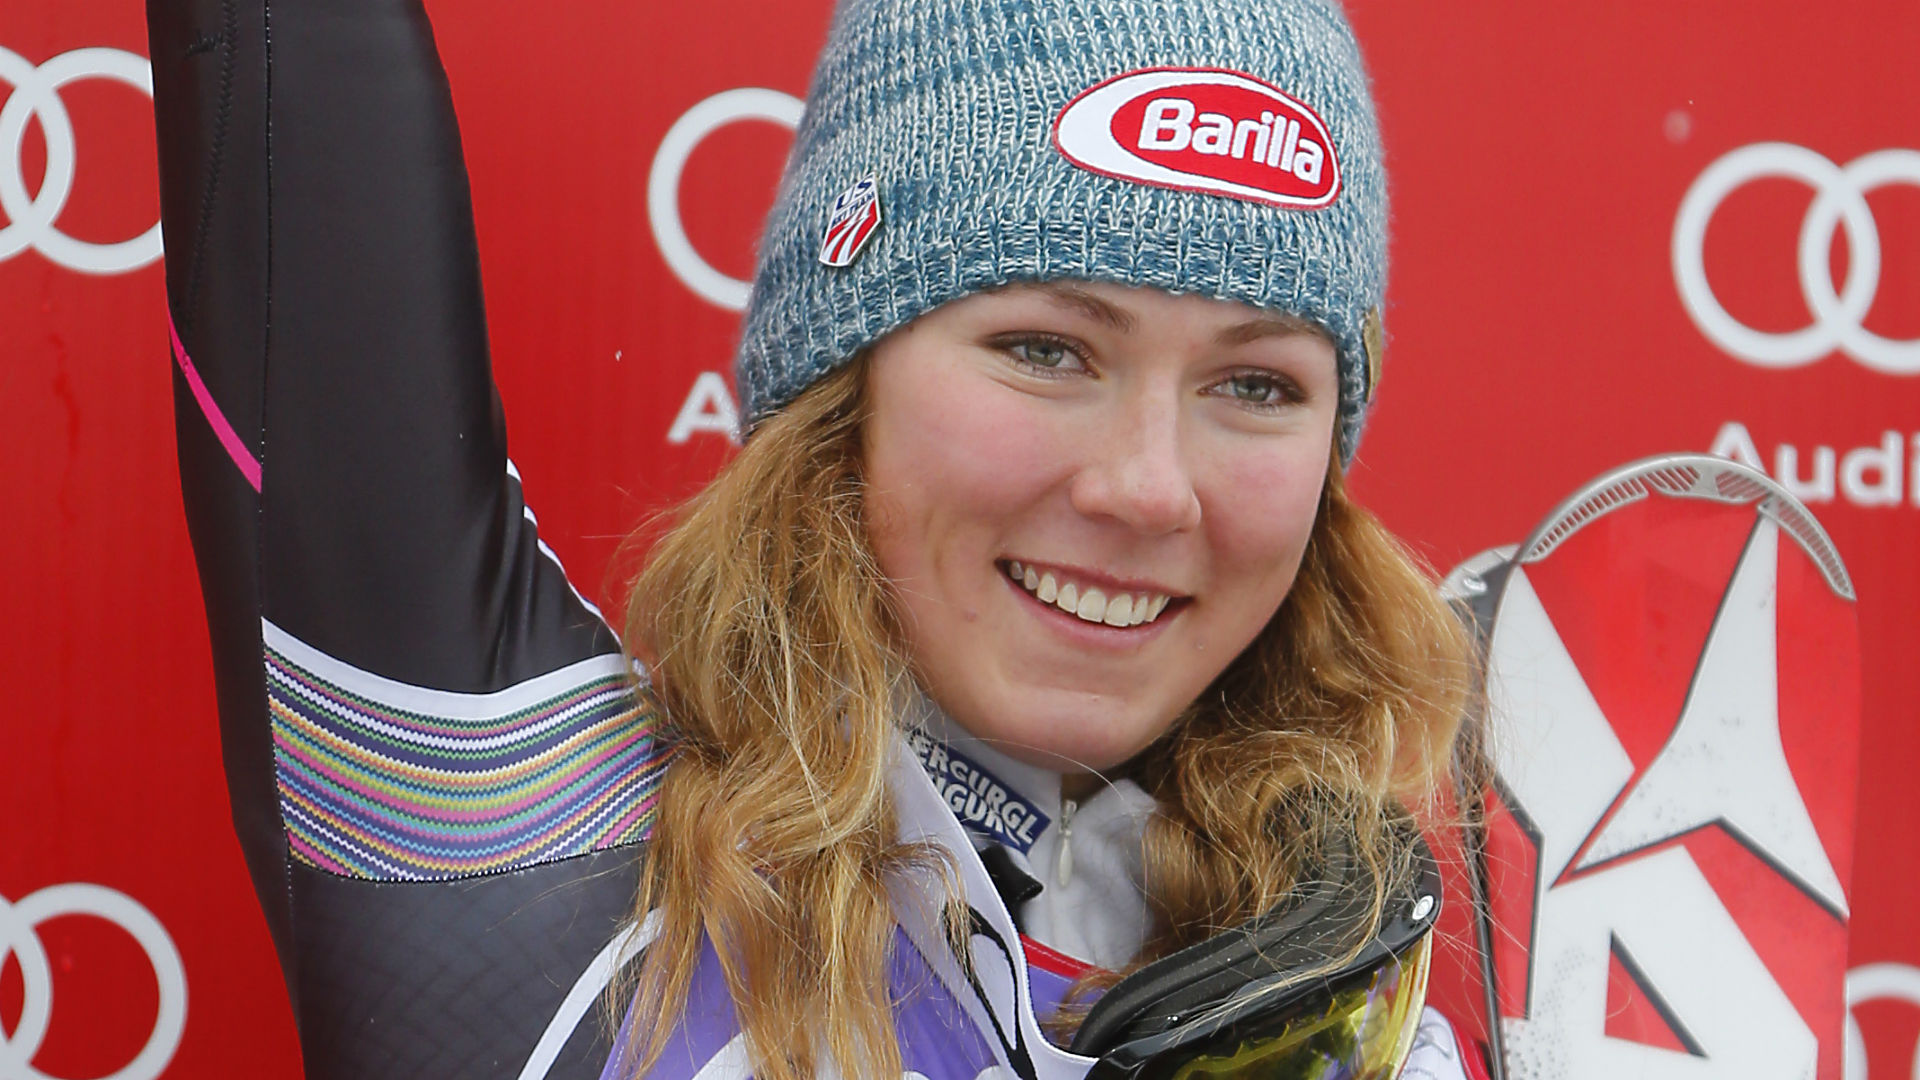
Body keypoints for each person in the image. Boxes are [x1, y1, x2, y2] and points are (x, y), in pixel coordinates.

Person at [147, 0, 1478, 1076]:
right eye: (1046, 348)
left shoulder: (1358, 998)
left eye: (1256, 385)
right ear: (844, 392)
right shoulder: (531, 857)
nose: (1150, 488)